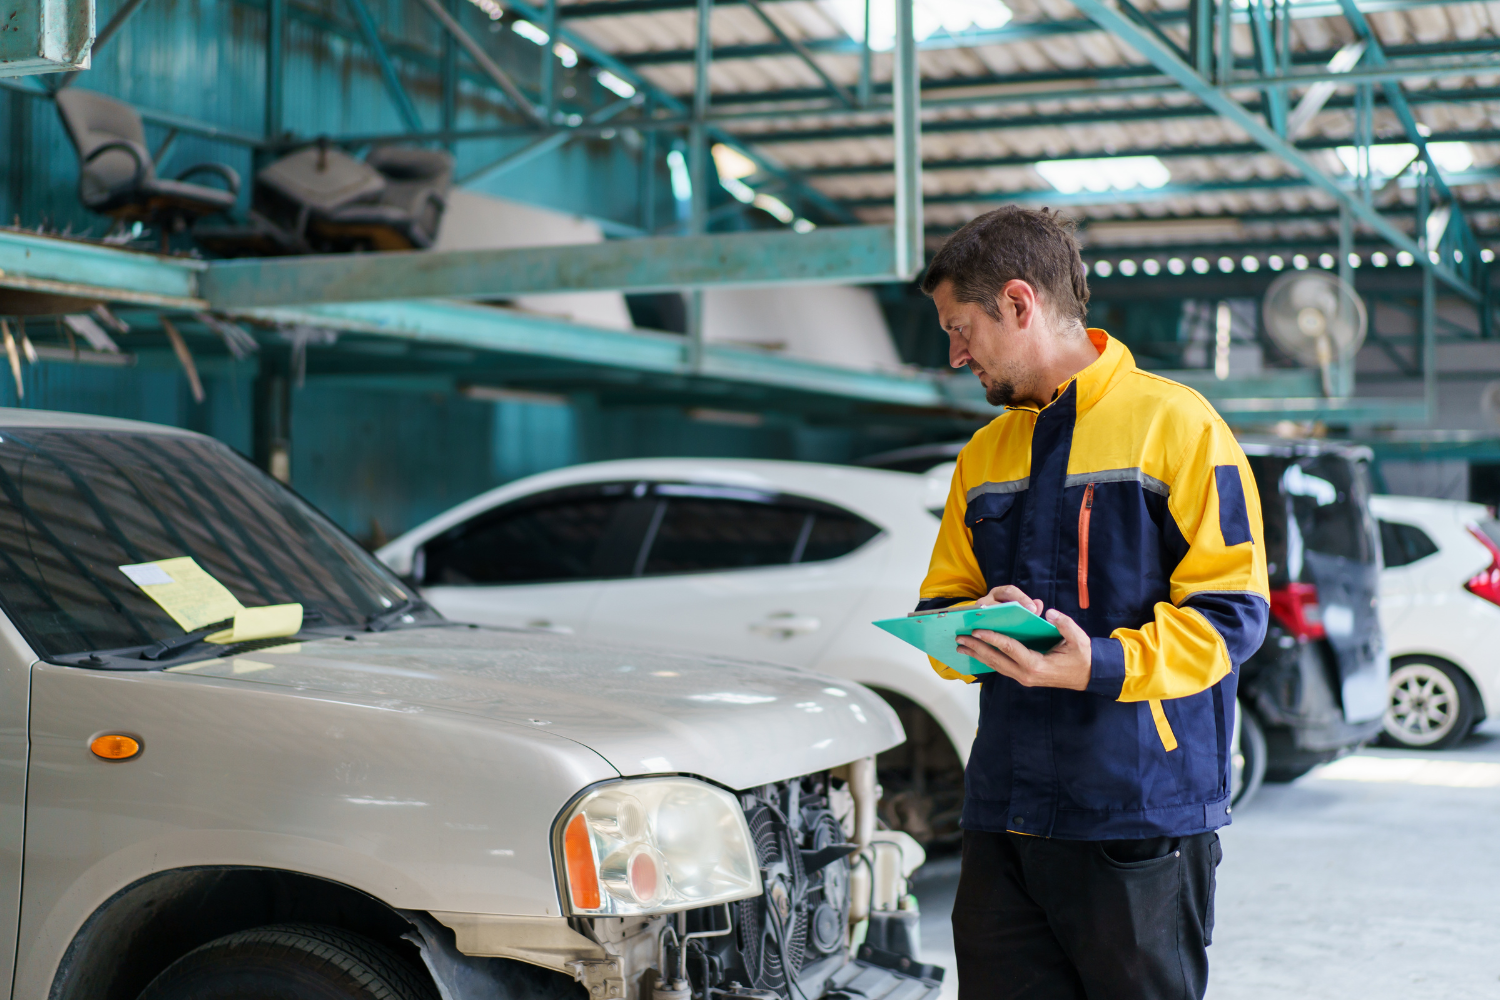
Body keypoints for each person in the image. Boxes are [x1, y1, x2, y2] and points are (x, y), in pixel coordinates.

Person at [915, 206, 1269, 1000]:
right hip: (1003, 811)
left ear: (1017, 302)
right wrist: (965, 630)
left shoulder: (1176, 426)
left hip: (1136, 811)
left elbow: (1232, 615)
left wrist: (1097, 665)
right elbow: (943, 599)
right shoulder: (984, 453)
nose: (954, 353)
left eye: (960, 326)